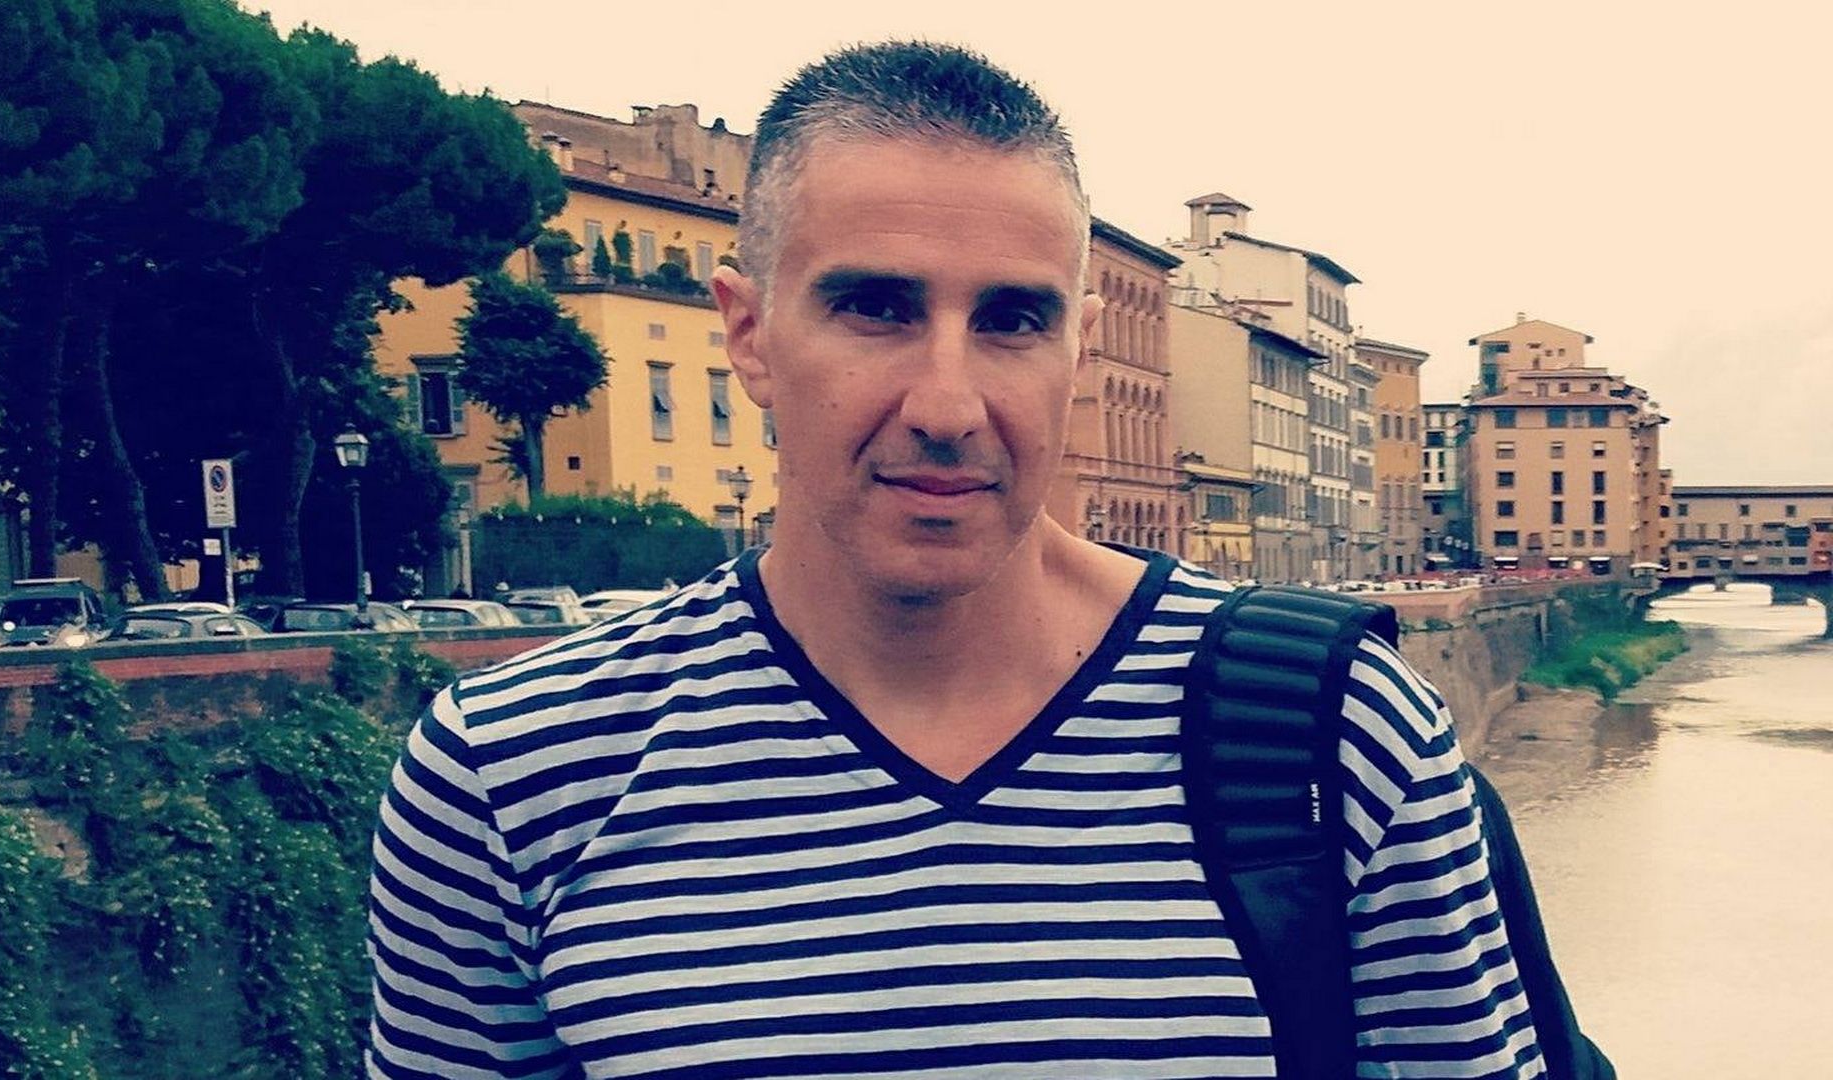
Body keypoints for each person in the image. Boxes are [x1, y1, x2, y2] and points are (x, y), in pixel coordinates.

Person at [368, 41, 1545, 1079]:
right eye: (877, 309)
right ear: (749, 334)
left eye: (1013, 321)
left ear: (1078, 351)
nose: (947, 405)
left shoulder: (1340, 734)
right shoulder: (508, 779)